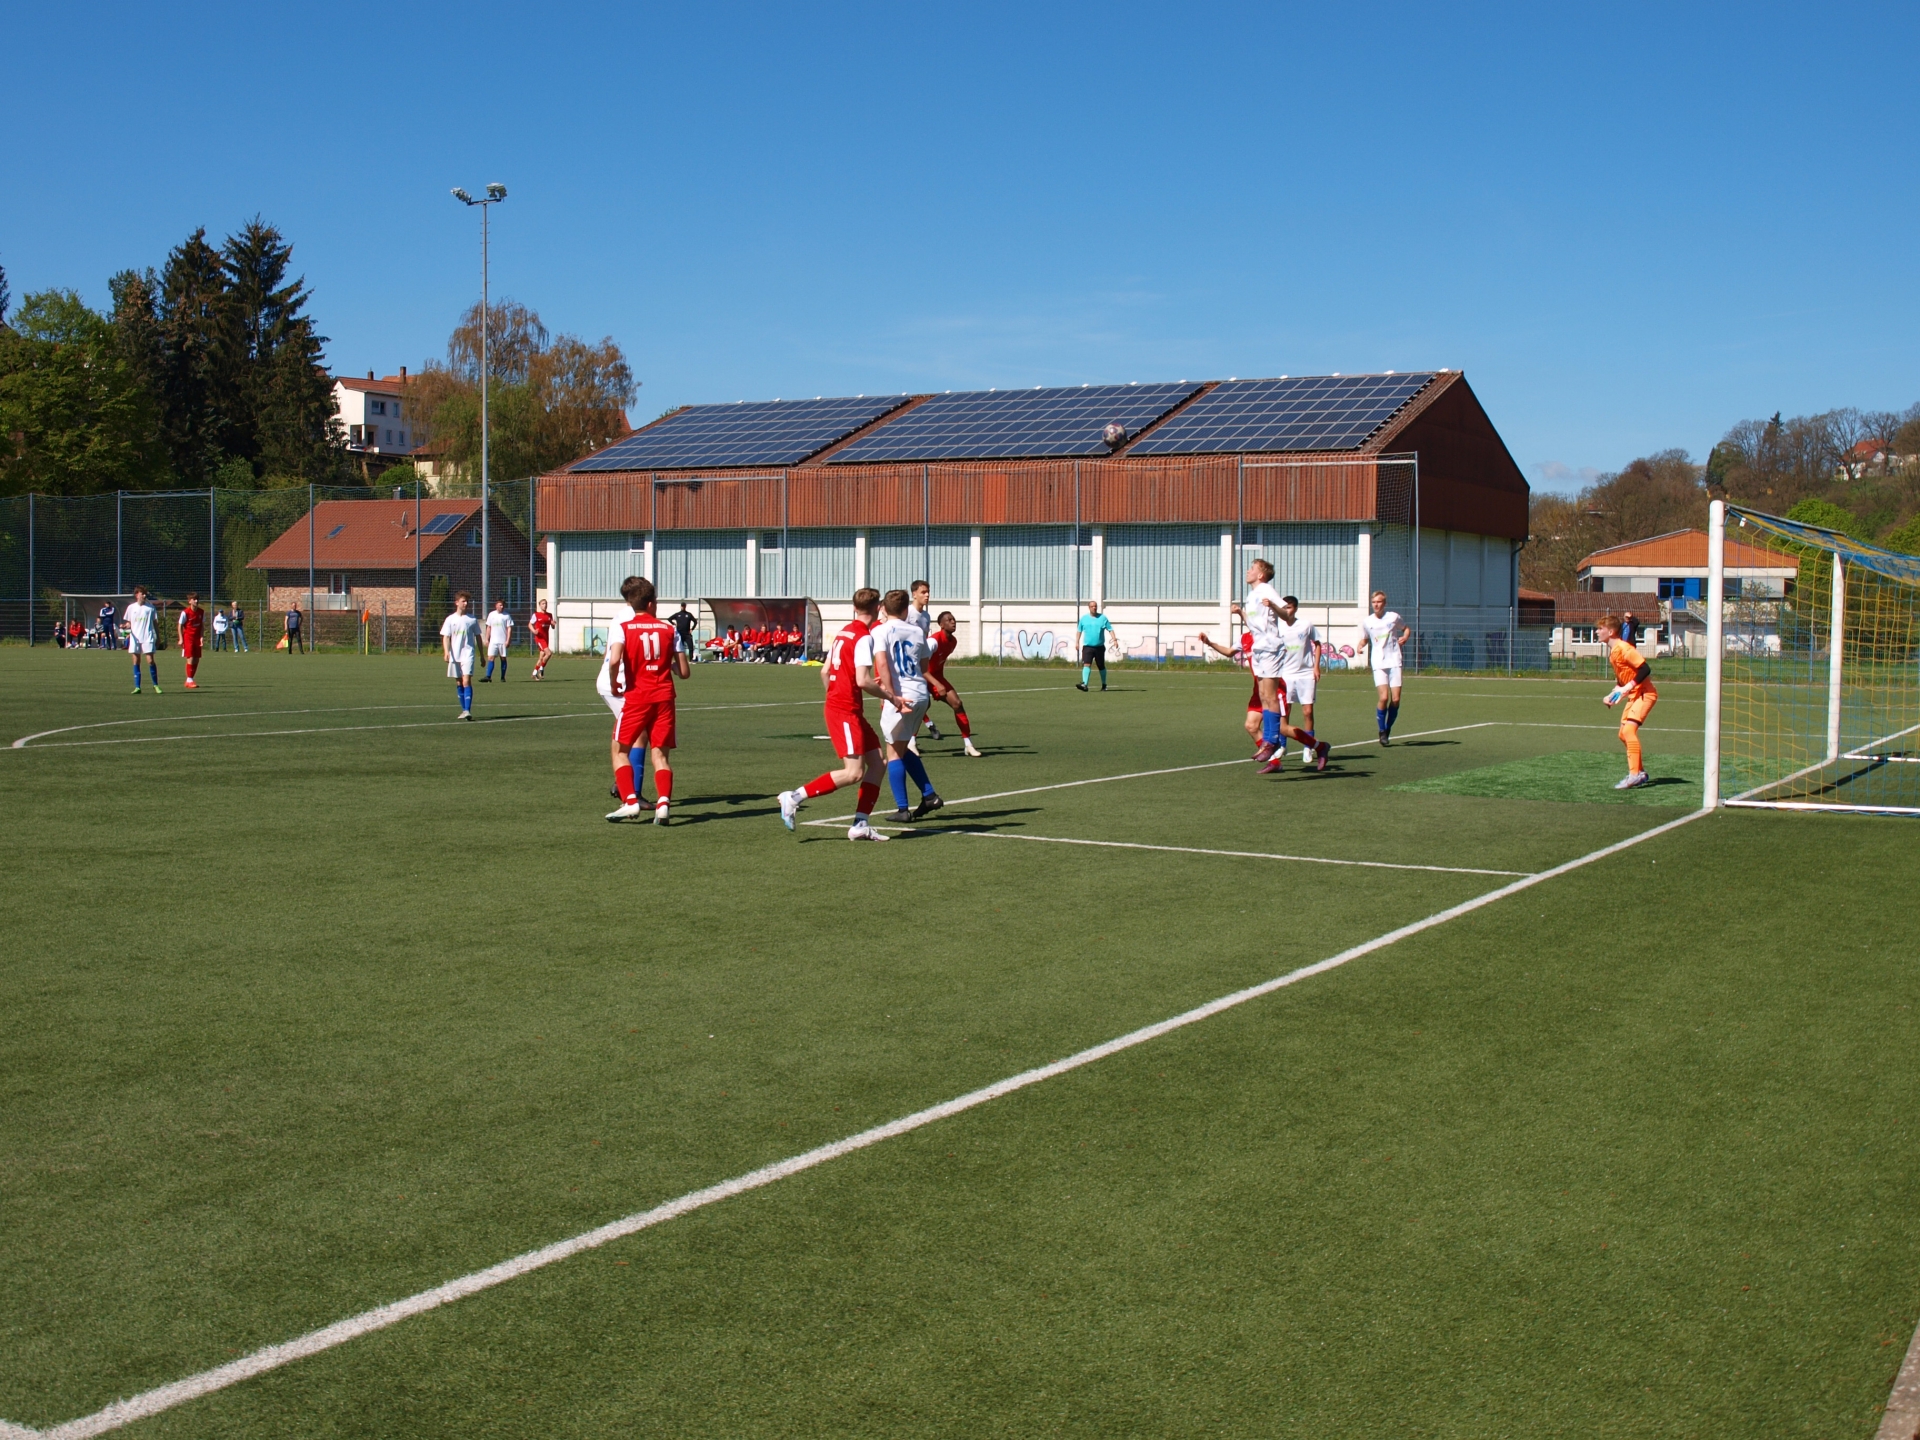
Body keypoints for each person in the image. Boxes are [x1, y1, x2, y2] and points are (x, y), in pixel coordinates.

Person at [777, 588, 894, 842]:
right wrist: (891, 697)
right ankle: (793, 797)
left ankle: (860, 824)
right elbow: (863, 680)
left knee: (878, 763)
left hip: (846, 708)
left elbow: (825, 672)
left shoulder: (844, 632)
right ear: (878, 609)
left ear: (854, 608)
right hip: (844, 711)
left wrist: (840, 691)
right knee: (853, 773)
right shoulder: (863, 637)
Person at [604, 576, 689, 825]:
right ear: (651, 603)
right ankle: (663, 805)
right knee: (660, 756)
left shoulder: (623, 627)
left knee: (619, 749)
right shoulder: (670, 630)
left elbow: (614, 660)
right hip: (664, 698)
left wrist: (613, 683)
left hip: (637, 697)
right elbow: (684, 673)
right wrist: (668, 665)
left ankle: (630, 800)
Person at [1230, 562, 1324, 775]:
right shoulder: (1252, 595)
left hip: (1271, 647)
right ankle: (1271, 743)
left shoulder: (1266, 589)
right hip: (1260, 648)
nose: (1248, 570)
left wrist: (1273, 606)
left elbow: (1286, 615)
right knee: (1264, 695)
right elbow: (1255, 626)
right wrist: (1241, 614)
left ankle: (1271, 741)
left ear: (1261, 575)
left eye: (1252, 568)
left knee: (1270, 696)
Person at [870, 588, 943, 823]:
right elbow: (924, 667)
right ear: (905, 610)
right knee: (902, 747)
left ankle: (902, 809)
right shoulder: (918, 631)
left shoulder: (880, 630)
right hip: (920, 694)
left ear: (883, 609)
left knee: (893, 752)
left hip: (901, 696)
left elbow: (882, 663)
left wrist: (890, 694)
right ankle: (929, 796)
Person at [1598, 612, 1657, 789]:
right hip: (1634, 695)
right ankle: (1640, 773)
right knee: (1622, 734)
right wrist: (1614, 694)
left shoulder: (1625, 649)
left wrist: (1627, 687)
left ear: (1610, 632)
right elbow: (1623, 680)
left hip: (1645, 693)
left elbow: (1645, 669)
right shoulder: (1613, 653)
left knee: (1629, 731)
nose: (1597, 632)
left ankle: (1634, 775)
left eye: (1600, 628)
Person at [1272, 595, 1330, 772]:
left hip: (1305, 673)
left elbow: (1317, 644)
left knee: (1308, 711)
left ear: (1295, 608)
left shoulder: (1306, 625)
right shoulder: (1278, 627)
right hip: (1286, 674)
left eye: (1289, 607)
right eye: (1284, 608)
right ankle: (1283, 745)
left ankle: (1308, 747)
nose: (1286, 611)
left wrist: (1316, 667)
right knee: (1285, 711)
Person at [924, 611, 984, 757]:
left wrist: (939, 682)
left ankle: (968, 745)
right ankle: (911, 743)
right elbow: (921, 667)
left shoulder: (953, 641)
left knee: (957, 703)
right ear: (941, 625)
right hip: (922, 677)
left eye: (954, 619)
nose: (953, 622)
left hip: (937, 677)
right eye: (949, 620)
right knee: (921, 707)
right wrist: (936, 684)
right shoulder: (933, 642)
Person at [1198, 629, 1268, 753]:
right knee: (1251, 726)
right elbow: (1229, 652)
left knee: (1282, 728)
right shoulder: (1245, 638)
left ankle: (1296, 746)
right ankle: (1273, 757)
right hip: (1258, 690)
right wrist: (1209, 643)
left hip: (1276, 688)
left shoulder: (1270, 634)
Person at [1355, 591, 1411, 746]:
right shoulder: (1367, 621)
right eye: (1373, 602)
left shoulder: (1393, 617)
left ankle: (1387, 728)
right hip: (1378, 663)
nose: (1376, 605)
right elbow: (1365, 638)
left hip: (1394, 661)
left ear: (1384, 603)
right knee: (1384, 698)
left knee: (1396, 699)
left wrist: (1405, 637)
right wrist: (1360, 645)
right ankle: (1381, 731)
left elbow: (1406, 629)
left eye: (1379, 602)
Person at [441, 592, 480, 719]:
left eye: (467, 601)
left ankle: (467, 710)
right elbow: (446, 637)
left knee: (466, 680)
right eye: (463, 601)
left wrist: (482, 655)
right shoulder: (450, 619)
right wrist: (446, 652)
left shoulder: (472, 619)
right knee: (459, 682)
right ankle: (464, 710)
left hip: (468, 654)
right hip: (455, 655)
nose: (466, 603)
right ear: (457, 603)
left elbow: (478, 637)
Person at [124, 586, 160, 694]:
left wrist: (158, 637)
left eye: (145, 594)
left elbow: (155, 623)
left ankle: (155, 685)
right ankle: (137, 687)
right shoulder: (131, 607)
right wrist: (126, 625)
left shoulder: (150, 608)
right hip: (135, 638)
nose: (144, 595)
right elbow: (129, 622)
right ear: (137, 595)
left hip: (147, 637)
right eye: (142, 593)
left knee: (150, 660)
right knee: (136, 661)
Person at [1076, 601, 1115, 691]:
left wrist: (1114, 639)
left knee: (1101, 665)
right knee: (1086, 664)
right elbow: (1079, 631)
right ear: (1089, 607)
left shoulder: (1103, 618)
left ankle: (1104, 685)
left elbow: (1110, 629)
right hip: (1088, 647)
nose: (1094, 608)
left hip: (1099, 647)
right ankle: (1085, 684)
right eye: (1092, 606)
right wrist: (1077, 642)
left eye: (1095, 606)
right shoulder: (1084, 619)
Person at [177, 592, 206, 689]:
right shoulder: (185, 612)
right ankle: (189, 679)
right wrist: (181, 638)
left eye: (197, 599)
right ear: (189, 601)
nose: (196, 601)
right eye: (194, 599)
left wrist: (201, 637)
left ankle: (190, 680)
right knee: (191, 657)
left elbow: (202, 626)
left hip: (197, 637)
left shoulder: (201, 612)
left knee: (197, 658)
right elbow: (180, 625)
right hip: (188, 637)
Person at [481, 599, 514, 682]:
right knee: (491, 657)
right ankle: (488, 676)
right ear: (496, 606)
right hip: (493, 641)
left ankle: (502, 677)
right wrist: (486, 639)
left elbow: (509, 629)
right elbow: (488, 627)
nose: (502, 607)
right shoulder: (491, 614)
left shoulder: (507, 616)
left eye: (503, 605)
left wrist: (508, 640)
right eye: (500, 605)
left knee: (503, 658)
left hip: (503, 641)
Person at [528, 599, 555, 679]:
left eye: (545, 603)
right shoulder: (536, 615)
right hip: (539, 638)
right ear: (539, 605)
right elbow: (530, 624)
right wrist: (534, 631)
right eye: (543, 604)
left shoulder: (549, 615)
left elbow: (553, 627)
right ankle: (541, 668)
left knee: (541, 657)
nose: (545, 605)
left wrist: (553, 624)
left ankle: (534, 673)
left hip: (546, 638)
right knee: (549, 653)